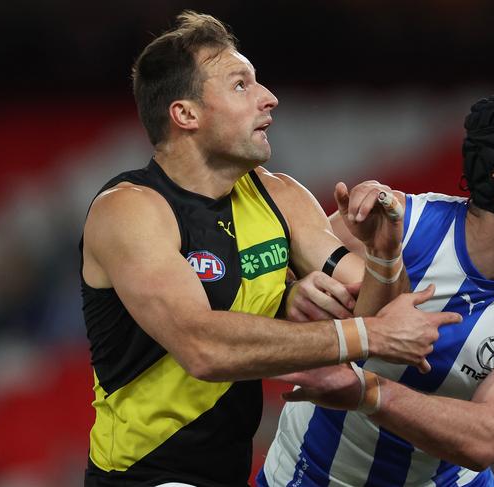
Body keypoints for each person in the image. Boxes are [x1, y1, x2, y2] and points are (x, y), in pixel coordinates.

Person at [79, 10, 461, 487]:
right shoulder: (130, 210)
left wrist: (384, 256)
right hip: (140, 476)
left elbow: (372, 305)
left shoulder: (278, 196)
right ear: (186, 114)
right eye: (241, 85)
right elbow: (202, 347)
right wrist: (364, 334)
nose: (269, 98)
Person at [259, 91, 494, 486]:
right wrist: (290, 292)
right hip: (307, 475)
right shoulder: (395, 225)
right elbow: (261, 286)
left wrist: (364, 391)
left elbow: (490, 434)